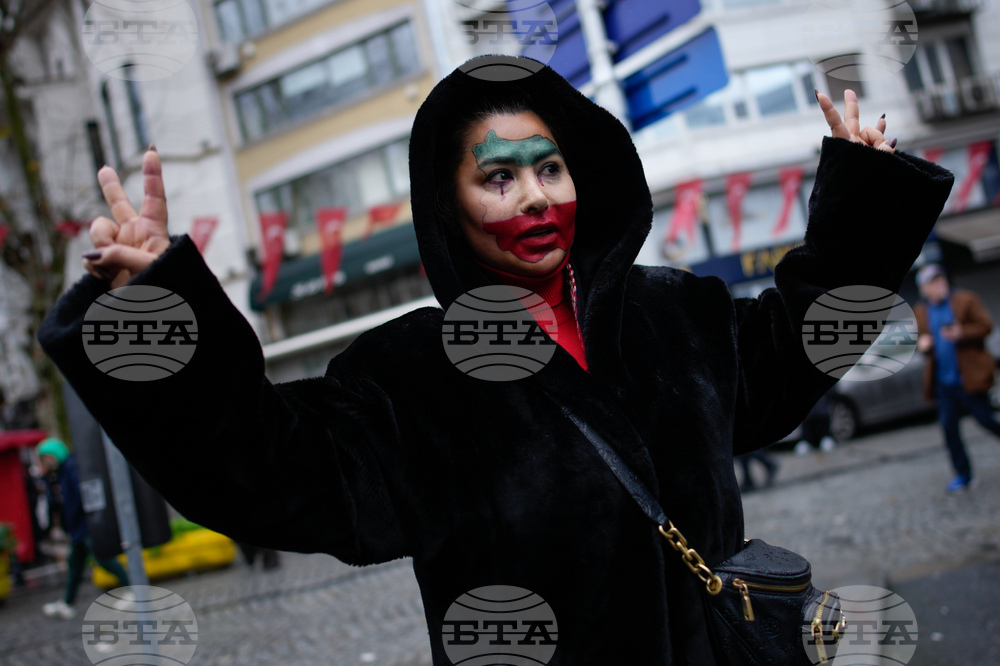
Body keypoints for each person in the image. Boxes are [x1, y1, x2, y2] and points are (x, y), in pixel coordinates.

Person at [38, 56, 954, 663]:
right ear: (451, 206)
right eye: (498, 176)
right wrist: (162, 310)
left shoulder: (677, 312)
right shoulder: (407, 378)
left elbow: (801, 346)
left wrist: (863, 206)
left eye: (549, 168)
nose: (533, 198)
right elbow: (269, 468)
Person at [914, 264, 1000, 493]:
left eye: (940, 280)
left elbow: (986, 326)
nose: (939, 285)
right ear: (924, 289)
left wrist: (961, 332)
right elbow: (919, 341)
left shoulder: (965, 300)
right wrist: (923, 345)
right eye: (933, 282)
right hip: (943, 382)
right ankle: (964, 475)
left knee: (986, 420)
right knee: (949, 428)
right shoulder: (922, 311)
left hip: (969, 377)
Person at [34, 438, 130, 619]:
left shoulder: (71, 468)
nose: (43, 463)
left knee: (103, 558)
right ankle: (67, 603)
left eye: (44, 458)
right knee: (75, 565)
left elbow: (77, 498)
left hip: (85, 525)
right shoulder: (60, 473)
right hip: (78, 527)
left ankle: (133, 588)